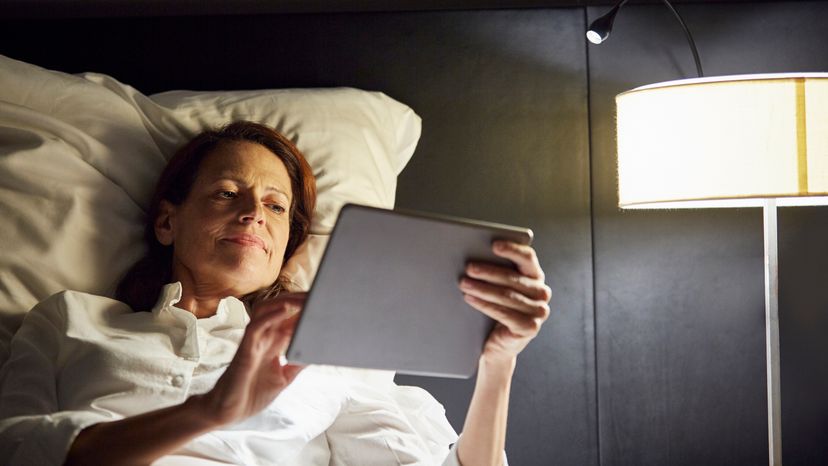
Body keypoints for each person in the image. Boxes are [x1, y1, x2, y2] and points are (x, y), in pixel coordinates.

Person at [0, 121, 551, 466]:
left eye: (275, 206)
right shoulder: (67, 319)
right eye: (225, 193)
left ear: (288, 243)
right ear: (167, 222)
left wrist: (498, 365)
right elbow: (17, 450)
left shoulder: (332, 353)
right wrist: (211, 412)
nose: (251, 214)